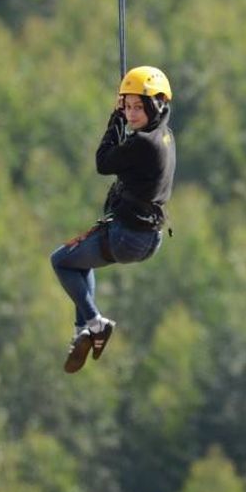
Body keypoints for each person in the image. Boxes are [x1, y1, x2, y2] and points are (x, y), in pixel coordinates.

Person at [50, 66, 175, 373]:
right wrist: (125, 115)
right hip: (149, 237)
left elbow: (103, 162)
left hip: (127, 237)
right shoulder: (166, 137)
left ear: (156, 106)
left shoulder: (143, 143)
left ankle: (95, 323)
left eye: (138, 108)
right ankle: (82, 331)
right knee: (81, 262)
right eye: (128, 107)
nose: (132, 114)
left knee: (61, 261)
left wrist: (114, 119)